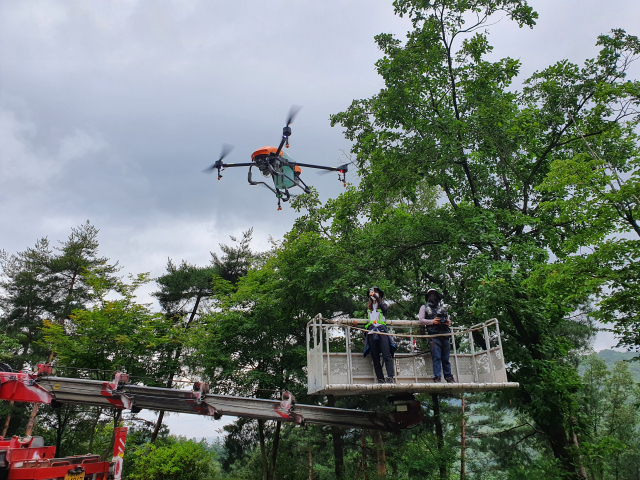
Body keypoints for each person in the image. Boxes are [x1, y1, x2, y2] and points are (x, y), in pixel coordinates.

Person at [419, 289, 455, 383]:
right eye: (431, 295)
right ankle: (437, 377)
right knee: (436, 357)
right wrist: (432, 322)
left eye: (434, 295)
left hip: (445, 335)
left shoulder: (442, 308)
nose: (433, 297)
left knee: (446, 358)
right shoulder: (424, 307)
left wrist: (447, 322)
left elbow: (448, 319)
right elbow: (421, 320)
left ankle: (449, 377)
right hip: (434, 336)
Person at [363, 286, 396, 384]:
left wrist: (377, 298)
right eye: (373, 292)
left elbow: (384, 310)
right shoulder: (368, 309)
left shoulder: (383, 305)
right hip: (371, 332)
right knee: (375, 357)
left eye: (376, 292)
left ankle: (390, 377)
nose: (374, 294)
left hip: (381, 331)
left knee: (386, 355)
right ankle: (380, 379)